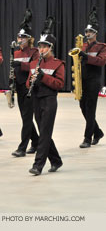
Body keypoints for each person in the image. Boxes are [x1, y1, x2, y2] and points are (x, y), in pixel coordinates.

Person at [26, 16, 64, 175]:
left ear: (50, 47)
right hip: (36, 99)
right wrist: (32, 81)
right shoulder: (34, 63)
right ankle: (56, 160)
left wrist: (43, 77)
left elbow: (60, 84)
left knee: (45, 133)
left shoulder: (58, 64)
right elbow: (28, 83)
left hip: (49, 100)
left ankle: (38, 165)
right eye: (40, 47)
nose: (41, 50)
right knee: (44, 132)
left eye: (44, 47)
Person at [11, 9, 40, 157]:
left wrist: (20, 66)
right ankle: (36, 142)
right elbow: (14, 70)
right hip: (19, 87)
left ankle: (22, 147)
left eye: (23, 37)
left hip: (30, 88)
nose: (20, 39)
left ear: (29, 39)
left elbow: (35, 67)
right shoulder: (16, 52)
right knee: (25, 117)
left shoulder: (34, 51)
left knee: (27, 118)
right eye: (18, 36)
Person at [78, 6, 106, 148]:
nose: (87, 33)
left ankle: (87, 138)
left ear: (95, 33)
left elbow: (102, 61)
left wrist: (86, 57)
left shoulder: (101, 46)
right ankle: (98, 132)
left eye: (90, 31)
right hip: (82, 80)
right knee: (83, 107)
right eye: (86, 31)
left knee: (90, 109)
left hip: (93, 81)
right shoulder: (82, 46)